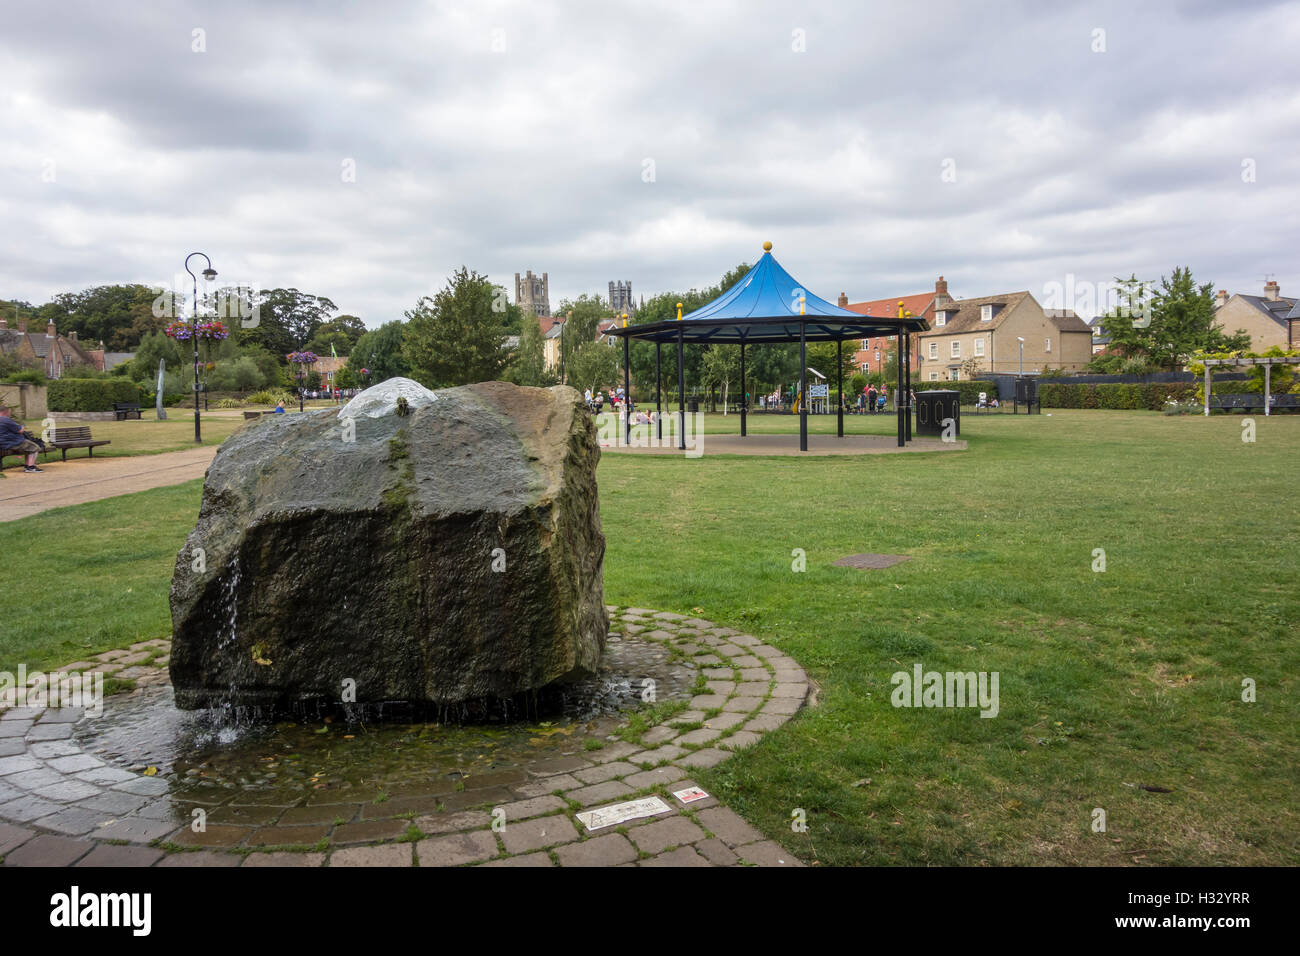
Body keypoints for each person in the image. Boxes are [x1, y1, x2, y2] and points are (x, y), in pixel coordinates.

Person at [0, 406, 43, 473]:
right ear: (6, 412)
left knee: (28, 447)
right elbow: (20, 430)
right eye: (9, 412)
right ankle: (31, 467)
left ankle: (27, 466)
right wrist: (23, 426)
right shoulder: (6, 420)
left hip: (3, 443)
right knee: (35, 447)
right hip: (12, 442)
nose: (9, 413)